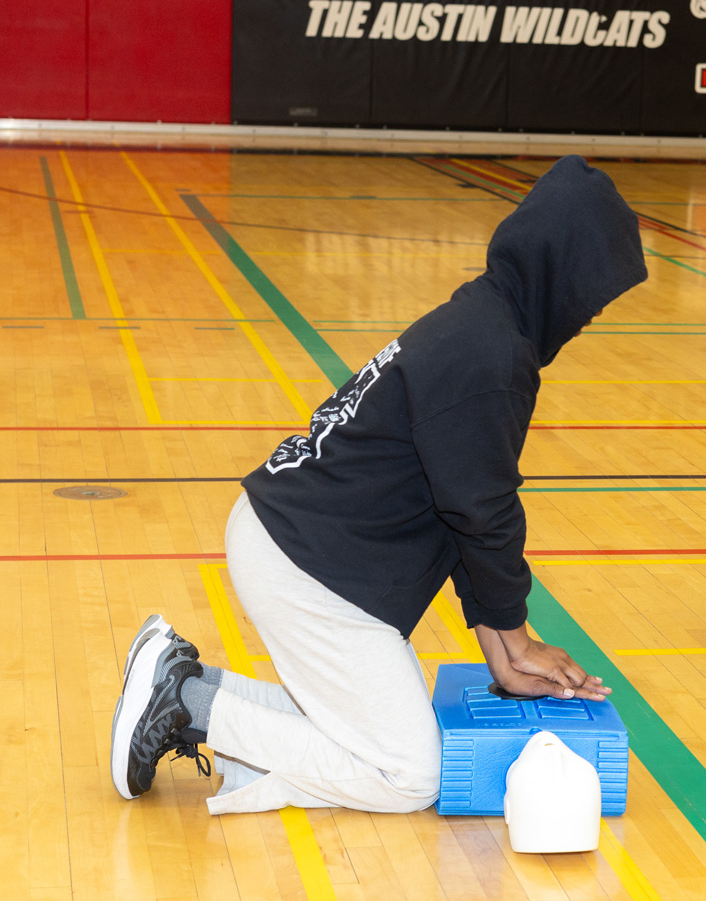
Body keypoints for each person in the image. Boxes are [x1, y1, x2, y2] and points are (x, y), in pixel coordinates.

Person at [110, 155, 648, 813]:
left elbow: (464, 511)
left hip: (294, 542)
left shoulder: (483, 323)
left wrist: (505, 647)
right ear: (561, 270)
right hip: (308, 565)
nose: (591, 311)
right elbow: (485, 514)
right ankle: (182, 703)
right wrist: (515, 635)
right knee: (410, 774)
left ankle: (187, 687)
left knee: (369, 736)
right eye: (594, 291)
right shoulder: (491, 353)